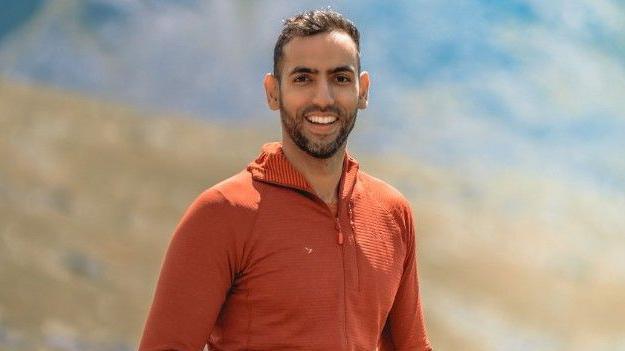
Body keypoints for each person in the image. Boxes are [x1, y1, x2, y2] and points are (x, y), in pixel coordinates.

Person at [139, 9, 432, 351]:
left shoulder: (392, 212)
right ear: (273, 92)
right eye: (303, 79)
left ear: (362, 90)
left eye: (339, 78)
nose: (323, 98)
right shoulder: (223, 213)